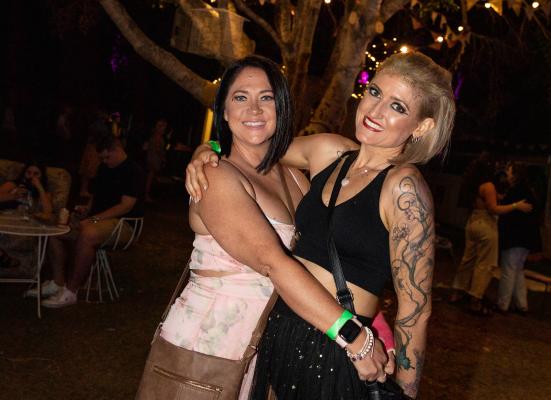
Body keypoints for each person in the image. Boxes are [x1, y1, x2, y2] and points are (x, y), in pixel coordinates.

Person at [187, 51, 455, 399]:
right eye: (374, 92)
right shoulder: (329, 152)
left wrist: (403, 393)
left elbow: (415, 312)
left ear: (422, 126)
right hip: (278, 333)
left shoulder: (404, 188)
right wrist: (207, 149)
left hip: (341, 349)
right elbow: (253, 144)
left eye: (397, 107)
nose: (375, 111)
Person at [143, 55, 389, 399]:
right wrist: (355, 337)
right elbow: (273, 262)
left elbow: (323, 260)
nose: (254, 109)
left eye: (267, 97)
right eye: (240, 97)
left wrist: (375, 326)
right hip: (209, 347)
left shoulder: (295, 179)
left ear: (281, 107)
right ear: (224, 111)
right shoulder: (215, 175)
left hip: (271, 347)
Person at [38, 135, 144, 307]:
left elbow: (126, 206)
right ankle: (57, 283)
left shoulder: (133, 170)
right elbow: (96, 195)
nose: (104, 161)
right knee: (56, 230)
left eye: (106, 157)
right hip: (97, 220)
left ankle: (71, 292)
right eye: (102, 158)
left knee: (88, 234)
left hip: (123, 224)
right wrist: (87, 210)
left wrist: (94, 219)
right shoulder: (104, 168)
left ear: (117, 149)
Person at [450, 155, 532, 315]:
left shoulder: (474, 184)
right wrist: (516, 206)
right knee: (485, 264)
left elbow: (487, 201)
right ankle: (475, 298)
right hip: (485, 225)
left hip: (473, 222)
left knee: (468, 260)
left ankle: (457, 292)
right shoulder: (488, 186)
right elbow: (493, 209)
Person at [496, 162, 541, 315]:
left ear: (515, 175)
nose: (507, 174)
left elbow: (505, 212)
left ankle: (503, 303)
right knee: (518, 270)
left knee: (508, 270)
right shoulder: (529, 192)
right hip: (526, 240)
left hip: (513, 238)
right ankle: (522, 304)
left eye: (509, 171)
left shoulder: (515, 192)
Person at [0, 161, 54, 270]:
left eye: (36, 174)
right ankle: (3, 257)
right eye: (28, 173)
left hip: (25, 224)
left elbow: (48, 212)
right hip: (4, 219)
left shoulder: (44, 192)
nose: (31, 176)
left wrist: (39, 187)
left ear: (41, 176)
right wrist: (13, 196)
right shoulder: (13, 184)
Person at [143, 117, 168, 202]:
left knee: (150, 177)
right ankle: (146, 195)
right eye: (161, 126)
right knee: (150, 178)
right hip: (153, 159)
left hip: (152, 158)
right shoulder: (157, 137)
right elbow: (158, 149)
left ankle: (148, 194)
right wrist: (163, 158)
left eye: (164, 126)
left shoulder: (155, 136)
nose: (163, 128)